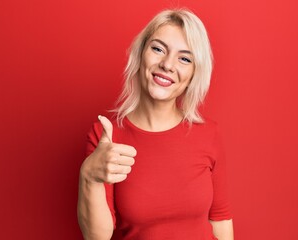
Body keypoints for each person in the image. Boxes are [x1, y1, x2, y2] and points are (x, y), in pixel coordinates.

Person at [77, 8, 234, 240]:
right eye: (158, 49)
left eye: (184, 58)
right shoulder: (107, 136)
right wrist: (89, 175)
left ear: (193, 74)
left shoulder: (208, 133)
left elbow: (220, 219)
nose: (168, 65)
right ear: (141, 54)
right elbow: (96, 237)